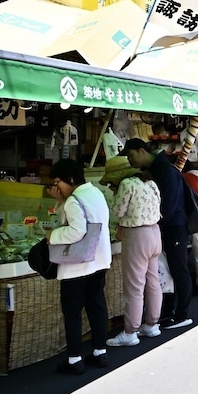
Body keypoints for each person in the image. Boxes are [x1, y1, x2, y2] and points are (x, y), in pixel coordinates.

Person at [46, 158, 112, 375]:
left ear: (71, 179)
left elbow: (76, 230)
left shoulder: (74, 199)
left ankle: (74, 360)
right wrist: (61, 201)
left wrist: (52, 236)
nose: (56, 188)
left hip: (77, 265)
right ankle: (99, 352)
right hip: (99, 261)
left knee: (72, 312)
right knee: (96, 307)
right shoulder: (95, 193)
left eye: (58, 182)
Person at [122, 138, 193, 330]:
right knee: (165, 273)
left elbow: (168, 205)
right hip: (164, 227)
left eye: (131, 155)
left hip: (174, 226)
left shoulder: (166, 171)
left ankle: (181, 314)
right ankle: (166, 313)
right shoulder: (157, 170)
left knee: (178, 270)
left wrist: (155, 223)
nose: (130, 160)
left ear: (142, 151)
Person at [100, 156, 163, 346]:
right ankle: (151, 324)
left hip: (136, 236)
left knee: (134, 285)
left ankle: (130, 331)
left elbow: (117, 211)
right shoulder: (150, 183)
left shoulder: (126, 185)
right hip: (154, 232)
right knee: (153, 281)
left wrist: (114, 195)